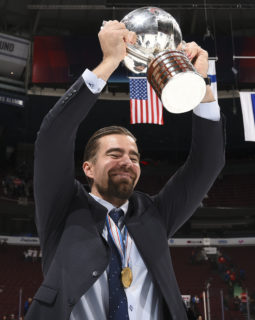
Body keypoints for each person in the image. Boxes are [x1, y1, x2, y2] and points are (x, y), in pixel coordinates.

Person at [25, 21, 225, 320]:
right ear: (88, 168)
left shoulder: (155, 213)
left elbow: (207, 164)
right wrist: (110, 62)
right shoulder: (62, 207)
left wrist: (203, 83)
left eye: (133, 156)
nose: (127, 161)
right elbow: (53, 139)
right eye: (115, 154)